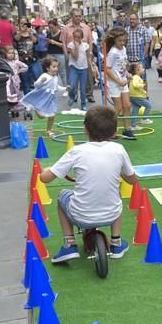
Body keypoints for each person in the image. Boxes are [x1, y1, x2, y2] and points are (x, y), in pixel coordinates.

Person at [40, 106, 138, 262]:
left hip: (80, 215)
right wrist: (118, 171)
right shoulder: (119, 149)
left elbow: (45, 179)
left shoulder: (77, 151)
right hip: (111, 215)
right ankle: (116, 242)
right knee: (116, 194)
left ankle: (69, 244)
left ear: (85, 129)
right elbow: (133, 180)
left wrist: (45, 170)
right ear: (114, 132)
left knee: (62, 196)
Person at [104, 27, 136, 140]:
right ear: (115, 40)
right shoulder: (112, 52)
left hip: (123, 81)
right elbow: (107, 69)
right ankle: (110, 130)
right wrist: (118, 81)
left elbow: (122, 65)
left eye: (124, 40)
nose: (122, 43)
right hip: (114, 83)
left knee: (127, 105)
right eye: (120, 40)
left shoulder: (123, 49)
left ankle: (127, 129)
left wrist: (127, 73)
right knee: (118, 107)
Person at [21, 56, 62, 137]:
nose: (56, 68)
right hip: (43, 98)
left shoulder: (56, 77)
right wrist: (41, 81)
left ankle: (49, 130)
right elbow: (36, 85)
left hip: (51, 99)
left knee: (52, 115)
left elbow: (57, 87)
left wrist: (65, 89)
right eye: (54, 67)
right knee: (41, 117)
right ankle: (35, 107)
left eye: (57, 66)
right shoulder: (45, 76)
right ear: (47, 68)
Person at [62, 9, 95, 102]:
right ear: (72, 16)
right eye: (76, 16)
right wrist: (66, 54)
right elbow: (64, 42)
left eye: (80, 16)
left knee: (88, 75)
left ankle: (89, 94)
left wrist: (91, 53)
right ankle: (74, 94)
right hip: (71, 55)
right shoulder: (66, 28)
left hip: (85, 54)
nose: (78, 18)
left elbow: (90, 41)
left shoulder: (86, 27)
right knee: (72, 76)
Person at [67, 28, 97, 112]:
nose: (76, 39)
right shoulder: (70, 45)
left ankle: (83, 104)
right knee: (72, 85)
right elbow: (75, 57)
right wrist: (76, 47)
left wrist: (92, 67)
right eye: (75, 37)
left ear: (81, 38)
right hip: (74, 67)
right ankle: (72, 96)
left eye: (78, 37)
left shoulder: (85, 45)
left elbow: (88, 57)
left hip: (84, 68)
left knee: (83, 88)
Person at [127, 62, 153, 130]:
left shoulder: (135, 77)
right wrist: (142, 85)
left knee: (135, 110)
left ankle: (133, 125)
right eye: (142, 68)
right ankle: (144, 119)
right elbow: (135, 85)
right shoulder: (136, 77)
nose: (143, 69)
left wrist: (143, 91)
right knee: (148, 106)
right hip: (137, 96)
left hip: (133, 96)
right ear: (137, 70)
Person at [46, 18, 67, 90]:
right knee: (51, 73)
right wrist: (47, 42)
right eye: (49, 27)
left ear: (56, 26)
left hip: (59, 54)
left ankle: (66, 88)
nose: (51, 29)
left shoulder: (61, 33)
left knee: (62, 72)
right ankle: (53, 88)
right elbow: (46, 44)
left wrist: (54, 42)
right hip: (50, 54)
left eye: (52, 27)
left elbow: (63, 45)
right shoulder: (48, 33)